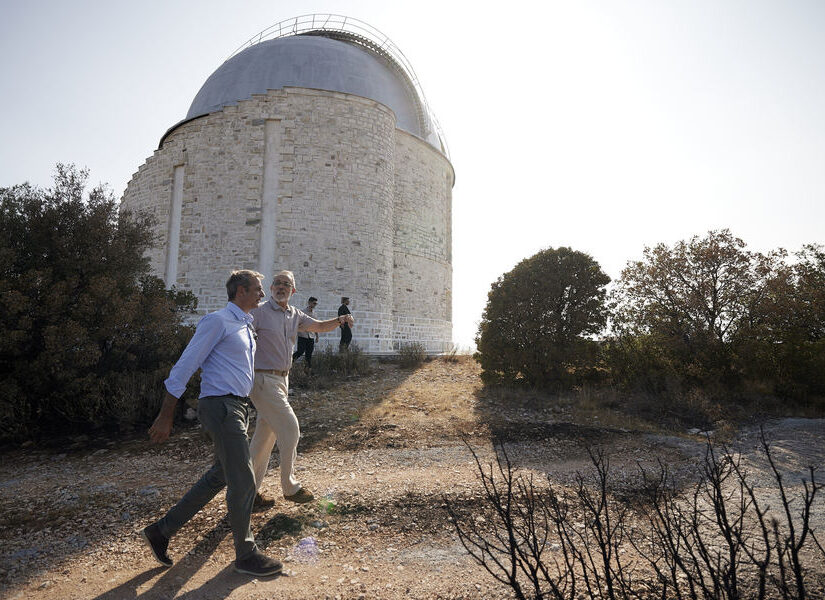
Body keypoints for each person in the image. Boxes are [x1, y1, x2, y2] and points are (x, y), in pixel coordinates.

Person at [141, 270, 283, 577]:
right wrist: (166, 415)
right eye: (258, 289)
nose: (262, 294)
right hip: (220, 406)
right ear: (241, 291)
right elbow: (185, 365)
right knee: (243, 477)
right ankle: (246, 554)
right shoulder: (217, 321)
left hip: (237, 407)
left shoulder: (245, 323)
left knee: (222, 473)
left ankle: (161, 532)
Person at [250, 271, 354, 508]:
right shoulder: (259, 312)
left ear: (293, 291)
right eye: (277, 283)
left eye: (286, 284)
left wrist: (340, 320)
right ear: (271, 286)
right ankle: (290, 486)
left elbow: (317, 327)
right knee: (290, 428)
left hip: (281, 381)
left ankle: (248, 492)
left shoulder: (295, 315)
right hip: (263, 380)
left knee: (264, 440)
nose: (281, 287)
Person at [291, 296, 319, 371]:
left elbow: (316, 325)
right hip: (302, 335)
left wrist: (317, 336)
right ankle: (289, 362)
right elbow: (297, 323)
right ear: (309, 302)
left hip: (311, 336)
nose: (314, 305)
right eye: (314, 303)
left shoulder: (315, 314)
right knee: (300, 351)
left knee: (309, 354)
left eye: (316, 304)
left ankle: (308, 370)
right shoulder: (302, 312)